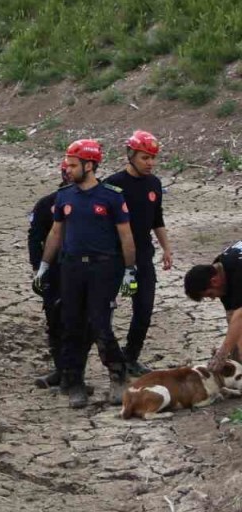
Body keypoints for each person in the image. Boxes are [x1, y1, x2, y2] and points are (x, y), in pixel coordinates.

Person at [38, 139, 138, 409]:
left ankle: (118, 376)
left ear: (90, 165)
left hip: (103, 268)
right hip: (71, 268)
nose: (68, 170)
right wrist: (44, 266)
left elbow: (126, 236)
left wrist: (130, 271)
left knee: (100, 324)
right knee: (71, 325)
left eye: (73, 165)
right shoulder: (65, 196)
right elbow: (56, 233)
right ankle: (75, 383)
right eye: (67, 164)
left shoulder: (111, 196)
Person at [103, 130, 171, 377]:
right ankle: (112, 360)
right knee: (105, 309)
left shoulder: (154, 184)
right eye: (145, 157)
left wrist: (166, 248)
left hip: (143, 256)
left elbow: (157, 217)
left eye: (153, 158)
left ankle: (131, 356)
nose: (150, 163)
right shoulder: (112, 184)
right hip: (112, 257)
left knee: (144, 307)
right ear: (130, 155)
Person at [28, 160, 71, 389]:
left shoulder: (101, 200)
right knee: (54, 320)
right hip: (55, 271)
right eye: (69, 168)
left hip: (85, 271)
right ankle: (60, 370)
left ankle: (75, 374)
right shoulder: (47, 204)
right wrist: (38, 269)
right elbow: (35, 238)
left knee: (84, 323)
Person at [184, 241, 242, 372]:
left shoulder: (238, 271)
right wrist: (234, 358)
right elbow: (233, 318)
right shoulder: (220, 268)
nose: (212, 298)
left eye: (210, 294)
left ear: (214, 281)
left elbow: (240, 316)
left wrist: (222, 353)